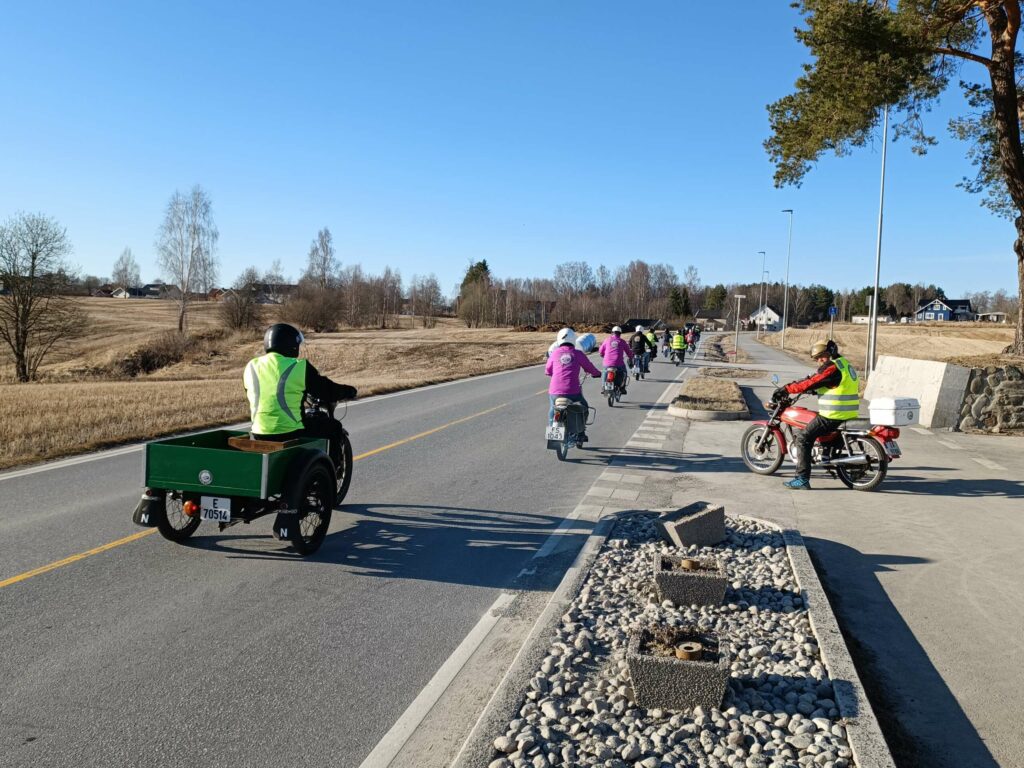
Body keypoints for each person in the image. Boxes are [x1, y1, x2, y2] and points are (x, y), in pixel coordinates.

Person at [244, 323, 357, 468]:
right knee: (334, 427)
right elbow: (326, 390)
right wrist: (349, 391)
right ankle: (332, 471)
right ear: (290, 345)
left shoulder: (251, 366)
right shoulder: (299, 366)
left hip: (258, 432)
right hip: (290, 432)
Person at [775, 340, 860, 490]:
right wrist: (814, 389)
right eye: (816, 358)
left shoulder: (831, 367)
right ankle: (826, 454)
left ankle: (801, 479)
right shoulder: (844, 363)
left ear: (831, 353)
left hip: (833, 414)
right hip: (848, 413)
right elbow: (832, 384)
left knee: (803, 438)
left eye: (822, 356)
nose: (819, 360)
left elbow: (812, 381)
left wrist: (786, 389)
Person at [545, 328, 601, 439]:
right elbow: (589, 367)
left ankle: (552, 429)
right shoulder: (578, 354)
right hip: (573, 391)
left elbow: (547, 370)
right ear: (573, 340)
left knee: (552, 408)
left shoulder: (554, 353)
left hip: (554, 391)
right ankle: (580, 433)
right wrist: (597, 373)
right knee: (583, 406)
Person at [599, 326, 634, 394]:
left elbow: (601, 351)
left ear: (612, 333)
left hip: (607, 363)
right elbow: (628, 352)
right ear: (620, 333)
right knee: (624, 372)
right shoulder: (622, 341)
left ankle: (603, 387)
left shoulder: (607, 340)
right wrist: (631, 357)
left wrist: (602, 354)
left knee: (604, 372)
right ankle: (622, 388)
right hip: (619, 363)